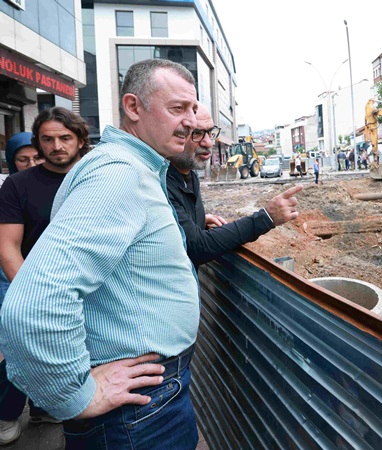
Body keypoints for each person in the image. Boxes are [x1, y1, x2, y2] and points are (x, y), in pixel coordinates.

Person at [1, 59, 201, 449]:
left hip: (148, 398)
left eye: (193, 109)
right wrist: (73, 396)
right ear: (133, 107)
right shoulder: (118, 175)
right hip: (139, 411)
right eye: (177, 108)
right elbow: (33, 304)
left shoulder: (133, 169)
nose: (191, 121)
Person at [0, 117, 89, 444]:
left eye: (65, 138)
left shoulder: (97, 178)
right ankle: (6, 413)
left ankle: (49, 405)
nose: (56, 146)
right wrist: (32, 297)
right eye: (47, 139)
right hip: (33, 287)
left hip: (90, 290)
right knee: (20, 349)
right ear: (38, 142)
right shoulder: (18, 185)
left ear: (80, 139)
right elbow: (8, 246)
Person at [167, 105, 302, 269]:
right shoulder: (162, 182)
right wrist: (266, 217)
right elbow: (196, 248)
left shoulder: (191, 176)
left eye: (210, 132)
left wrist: (198, 220)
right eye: (197, 133)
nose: (208, 142)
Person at [0, 133, 42, 302]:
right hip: (11, 270)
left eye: (37, 157)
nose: (31, 164)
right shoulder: (7, 190)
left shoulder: (59, 185)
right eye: (23, 159)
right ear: (12, 161)